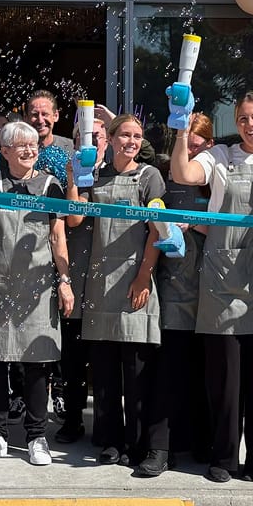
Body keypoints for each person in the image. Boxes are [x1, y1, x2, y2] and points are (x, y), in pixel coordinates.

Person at [169, 91, 253, 484]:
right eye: (242, 118)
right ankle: (223, 458)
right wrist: (181, 129)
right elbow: (182, 174)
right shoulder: (220, 156)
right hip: (222, 279)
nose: (249, 124)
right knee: (224, 380)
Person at [0, 121, 73, 467]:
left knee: (37, 363)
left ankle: (37, 436)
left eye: (33, 145)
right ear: (4, 151)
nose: (29, 150)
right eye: (21, 145)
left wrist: (65, 280)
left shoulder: (50, 185)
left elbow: (58, 236)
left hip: (37, 286)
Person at [73, 114, 167, 474]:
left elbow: (157, 229)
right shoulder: (95, 176)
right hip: (101, 282)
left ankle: (136, 443)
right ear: (110, 139)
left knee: (136, 370)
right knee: (105, 371)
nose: (131, 141)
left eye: (137, 136)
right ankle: (110, 440)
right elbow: (75, 218)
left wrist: (143, 276)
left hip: (134, 281)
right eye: (124, 135)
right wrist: (74, 178)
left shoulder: (149, 177)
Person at [153, 113, 215, 463]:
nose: (190, 152)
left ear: (210, 145)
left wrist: (194, 223)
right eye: (185, 144)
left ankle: (203, 444)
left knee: (205, 370)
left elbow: (235, 224)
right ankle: (168, 446)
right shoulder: (165, 176)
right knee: (172, 367)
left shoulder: (217, 176)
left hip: (213, 285)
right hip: (175, 283)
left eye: (197, 145)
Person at [55, 116, 108, 444]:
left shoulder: (116, 171)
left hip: (108, 279)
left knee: (104, 361)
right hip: (76, 274)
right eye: (82, 137)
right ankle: (72, 419)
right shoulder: (64, 177)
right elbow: (73, 219)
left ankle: (105, 426)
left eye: (97, 136)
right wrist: (73, 177)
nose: (90, 142)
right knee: (72, 358)